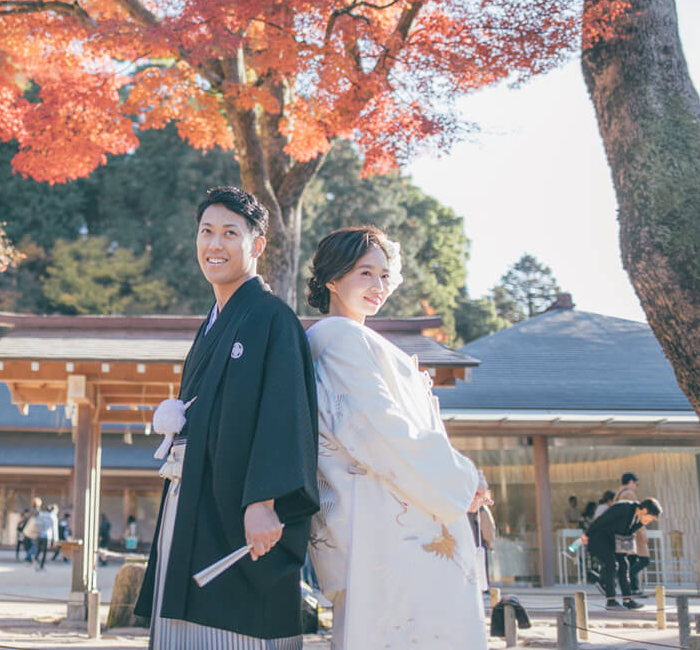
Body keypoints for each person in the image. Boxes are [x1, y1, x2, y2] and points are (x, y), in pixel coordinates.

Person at [135, 186, 319, 648]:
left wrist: (266, 500)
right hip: (193, 491)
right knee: (184, 618)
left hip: (240, 506)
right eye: (206, 232)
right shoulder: (213, 322)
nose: (215, 245)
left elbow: (286, 411)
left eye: (229, 234)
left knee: (236, 624)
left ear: (256, 245)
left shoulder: (272, 317)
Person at [305, 226, 490, 650]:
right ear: (333, 278)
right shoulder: (340, 340)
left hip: (389, 511)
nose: (378, 286)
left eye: (385, 276)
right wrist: (462, 478)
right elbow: (379, 429)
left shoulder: (347, 338)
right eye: (365, 273)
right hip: (387, 517)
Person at [581, 498, 662, 610]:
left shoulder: (635, 515)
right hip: (600, 539)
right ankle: (611, 601)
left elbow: (627, 532)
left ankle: (627, 600)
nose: (649, 521)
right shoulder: (624, 507)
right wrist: (587, 534)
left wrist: (640, 524)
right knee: (612, 565)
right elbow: (601, 520)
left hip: (614, 542)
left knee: (624, 565)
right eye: (651, 518)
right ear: (645, 510)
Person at [614, 473, 650, 596]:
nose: (636, 486)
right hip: (634, 531)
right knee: (644, 560)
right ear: (630, 482)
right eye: (635, 483)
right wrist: (643, 531)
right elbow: (637, 513)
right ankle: (625, 580)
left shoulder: (618, 494)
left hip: (624, 531)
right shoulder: (629, 493)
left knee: (631, 560)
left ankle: (633, 588)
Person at [33, 505, 56, 571]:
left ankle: (35, 559)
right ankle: (41, 566)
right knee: (45, 552)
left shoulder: (41, 515)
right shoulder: (53, 517)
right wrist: (55, 540)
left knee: (38, 550)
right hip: (47, 536)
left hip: (39, 535)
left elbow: (37, 524)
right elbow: (54, 529)